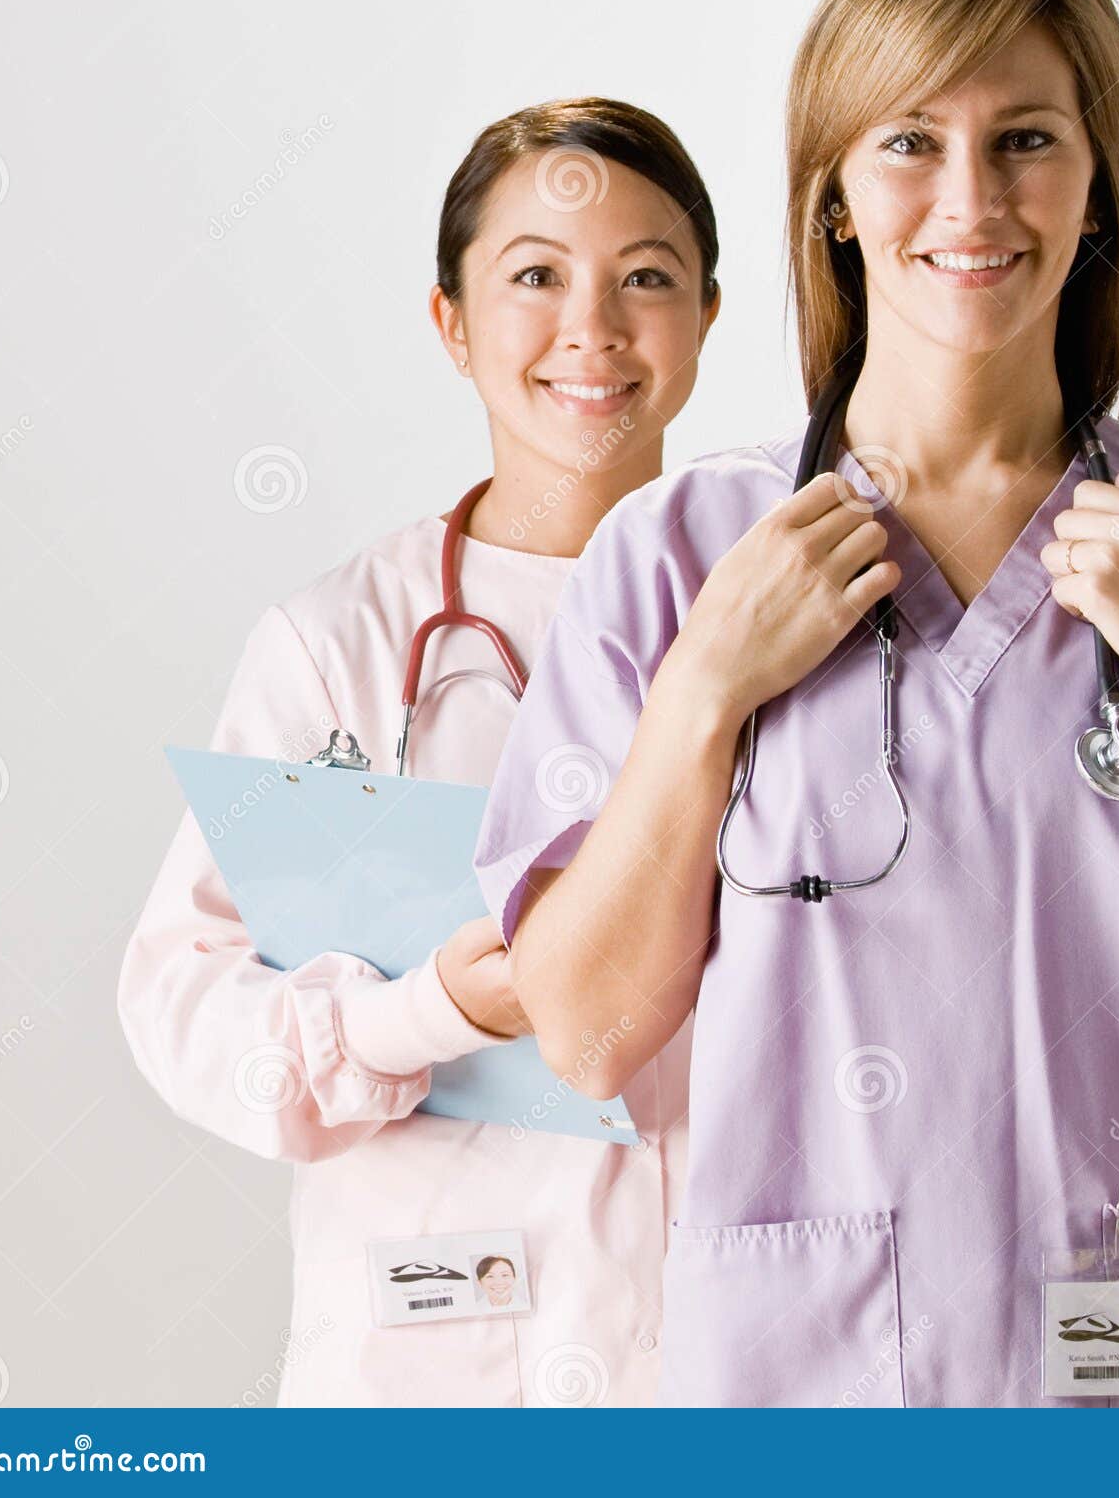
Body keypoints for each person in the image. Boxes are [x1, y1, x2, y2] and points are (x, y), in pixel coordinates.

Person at [469, 0, 1119, 1407]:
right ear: (836, 197)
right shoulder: (682, 557)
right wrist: (705, 691)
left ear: (1100, 183)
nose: (971, 198)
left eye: (1028, 138)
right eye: (911, 139)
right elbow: (589, 1030)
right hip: (823, 1366)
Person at [118, 98, 720, 1406]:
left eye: (647, 278)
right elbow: (184, 1008)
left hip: (741, 1366)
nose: (595, 328)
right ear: (450, 322)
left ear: (709, 318)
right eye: (536, 277)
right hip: (443, 1364)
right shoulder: (344, 644)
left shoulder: (787, 616)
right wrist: (422, 1014)